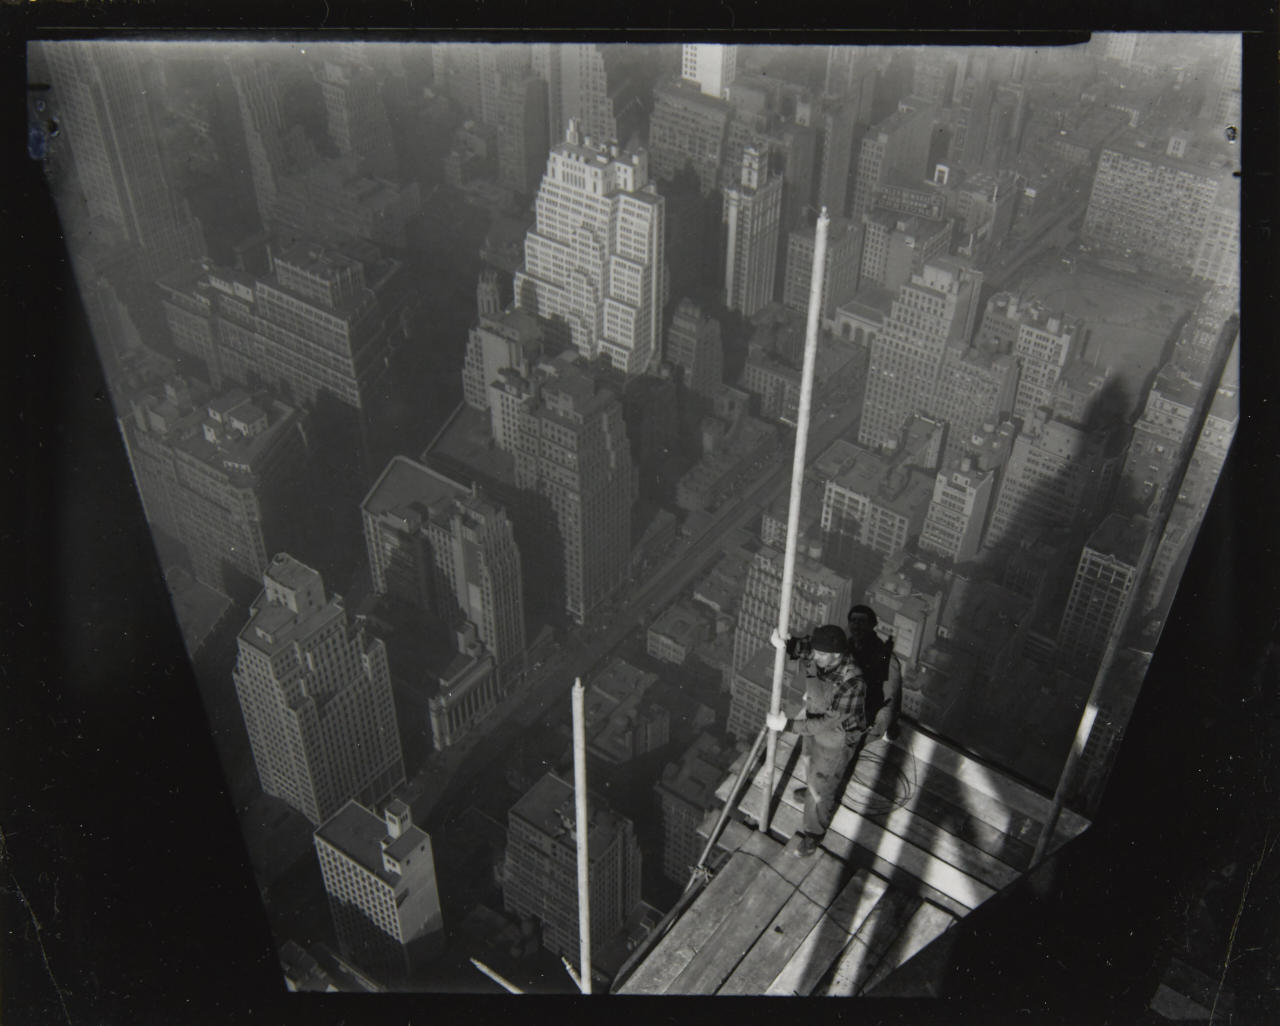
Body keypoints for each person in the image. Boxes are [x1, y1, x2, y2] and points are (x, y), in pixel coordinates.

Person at [766, 623, 877, 857]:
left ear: (837, 654)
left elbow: (828, 723)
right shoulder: (821, 653)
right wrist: (785, 644)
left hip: (836, 736)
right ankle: (812, 791)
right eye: (815, 652)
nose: (815, 657)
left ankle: (813, 834)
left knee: (821, 789)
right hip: (814, 718)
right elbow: (804, 647)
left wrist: (787, 725)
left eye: (821, 655)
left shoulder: (853, 682)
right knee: (808, 760)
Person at [846, 604, 902, 743]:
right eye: (853, 621)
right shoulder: (846, 647)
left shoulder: (885, 657)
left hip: (862, 726)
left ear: (872, 625)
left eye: (862, 621)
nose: (857, 626)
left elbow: (890, 699)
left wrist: (873, 732)